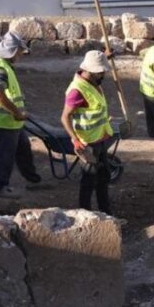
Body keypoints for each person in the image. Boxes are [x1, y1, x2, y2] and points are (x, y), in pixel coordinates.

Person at [0, 31, 41, 198]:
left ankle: (33, 179)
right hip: (4, 119)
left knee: (23, 147)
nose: (21, 56)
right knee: (4, 153)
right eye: (20, 52)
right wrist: (16, 112)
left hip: (9, 118)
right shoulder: (0, 67)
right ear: (12, 51)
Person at [61, 51, 116, 214]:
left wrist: (104, 57)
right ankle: (85, 215)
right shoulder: (77, 90)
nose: (103, 76)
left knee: (104, 177)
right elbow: (65, 117)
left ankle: (106, 213)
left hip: (100, 139)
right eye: (101, 73)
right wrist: (75, 140)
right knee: (88, 181)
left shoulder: (92, 82)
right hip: (88, 143)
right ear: (92, 72)